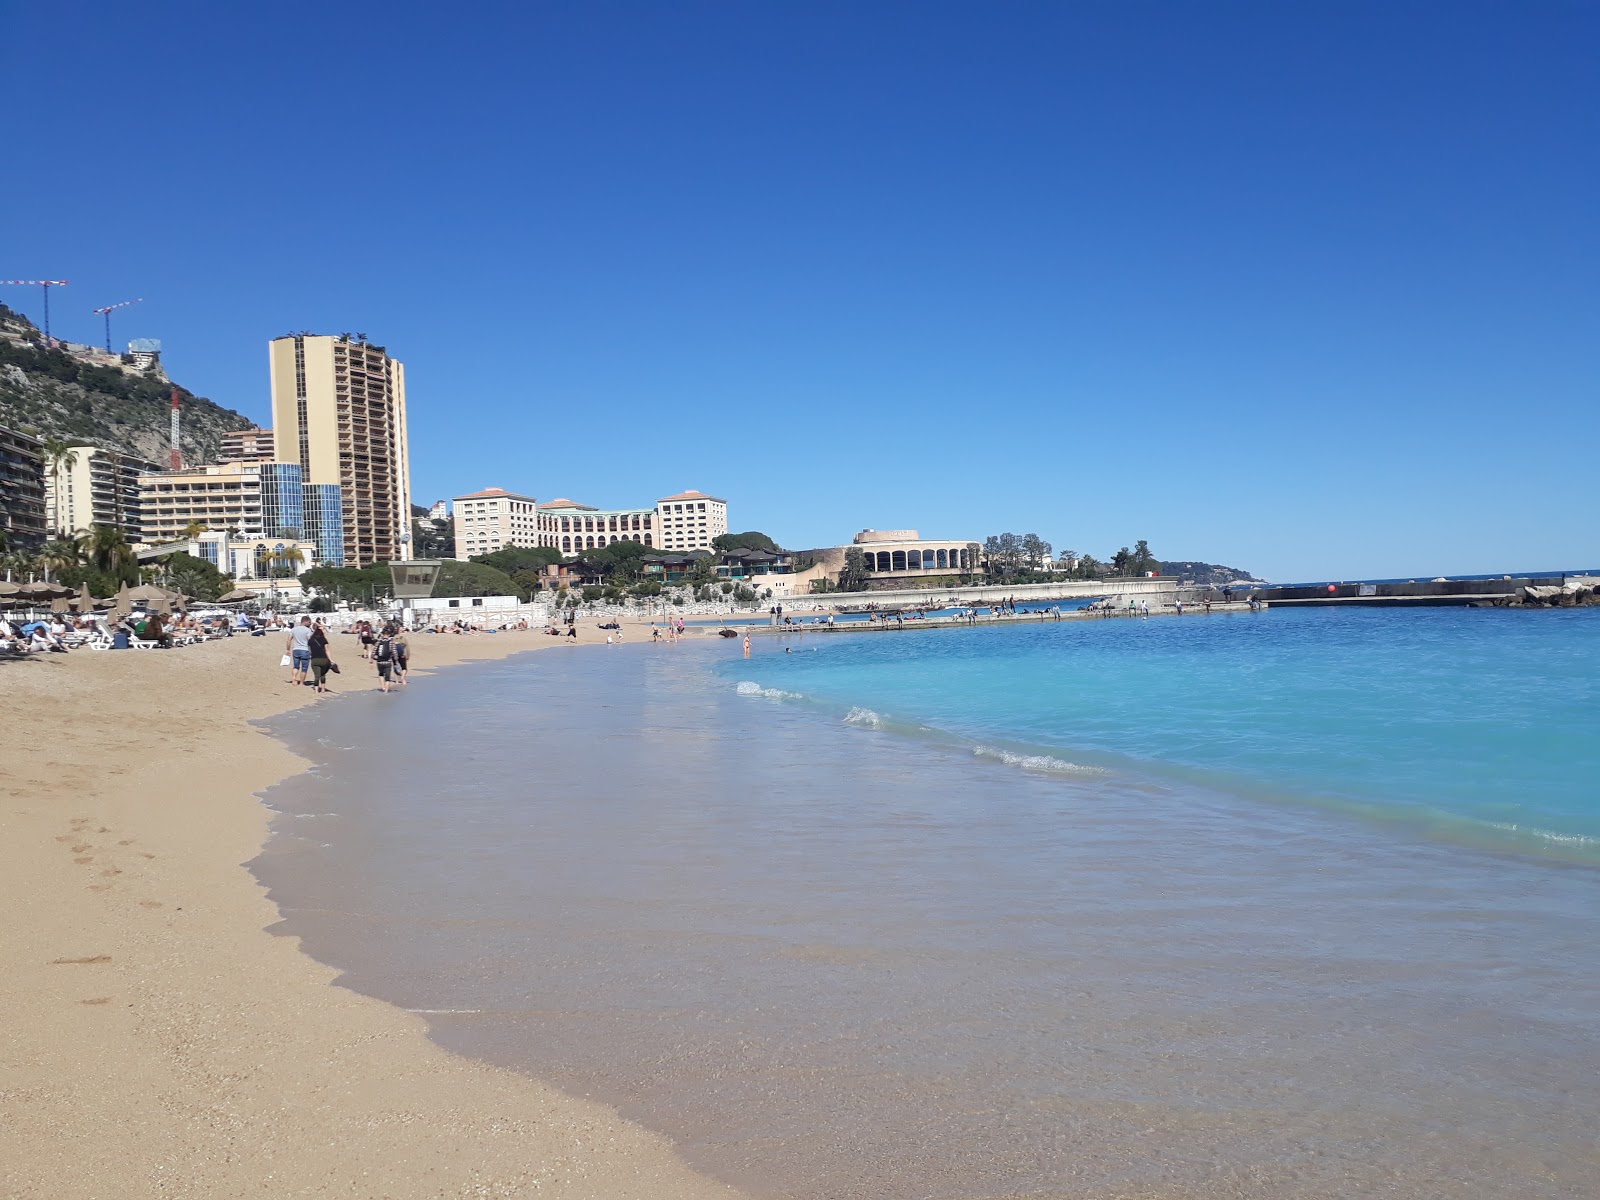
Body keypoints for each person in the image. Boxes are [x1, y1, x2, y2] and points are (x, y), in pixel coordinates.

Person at [308, 621, 336, 693]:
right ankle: (323, 689)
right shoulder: (324, 639)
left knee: (316, 675)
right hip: (324, 659)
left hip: (314, 659)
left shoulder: (311, 640)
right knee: (322, 674)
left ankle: (316, 690)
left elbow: (310, 651)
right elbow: (327, 651)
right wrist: (331, 660)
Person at [286, 616, 314, 686]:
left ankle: (294, 679)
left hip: (296, 649)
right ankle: (301, 683)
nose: (310, 624)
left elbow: (289, 639)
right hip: (305, 650)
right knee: (304, 668)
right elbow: (310, 641)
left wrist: (288, 649)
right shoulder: (308, 630)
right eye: (309, 622)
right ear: (306, 621)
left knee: (296, 666)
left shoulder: (293, 629)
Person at [373, 627, 396, 692]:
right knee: (387, 678)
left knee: (381, 674)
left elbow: (374, 651)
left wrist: (372, 660)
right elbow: (394, 652)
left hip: (379, 662)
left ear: (382, 634)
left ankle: (383, 687)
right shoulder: (391, 642)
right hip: (388, 662)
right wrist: (396, 661)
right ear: (389, 635)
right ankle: (386, 691)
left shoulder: (378, 642)